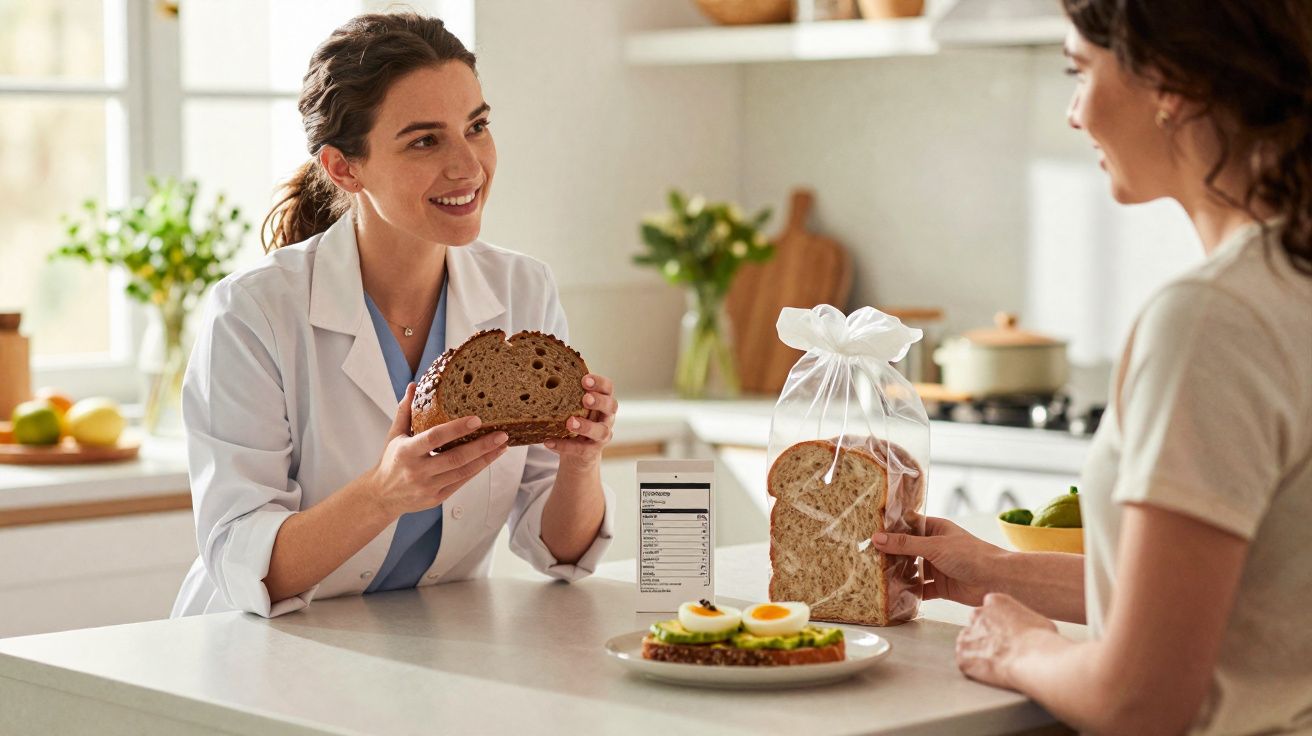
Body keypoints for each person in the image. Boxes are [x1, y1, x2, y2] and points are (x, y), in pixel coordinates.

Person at [872, 1, 1312, 733]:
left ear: (1170, 82)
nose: (1074, 114)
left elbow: (1140, 701)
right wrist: (993, 571)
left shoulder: (1212, 318)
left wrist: (1020, 649)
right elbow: (1232, 599)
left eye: (1079, 71)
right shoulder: (1287, 283)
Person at [173, 12, 617, 619]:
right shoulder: (254, 312)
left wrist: (582, 463)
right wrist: (383, 495)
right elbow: (242, 564)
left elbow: (560, 551)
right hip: (256, 646)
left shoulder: (522, 288)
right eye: (424, 140)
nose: (469, 166)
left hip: (426, 641)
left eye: (477, 126)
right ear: (343, 167)